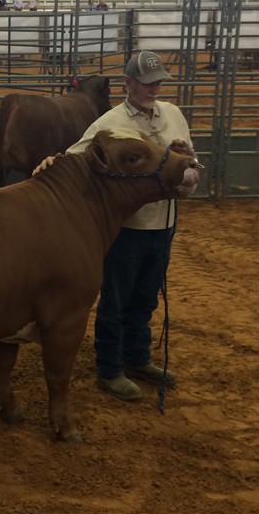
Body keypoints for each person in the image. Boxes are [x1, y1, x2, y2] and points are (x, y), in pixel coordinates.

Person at [59, 51, 199, 402]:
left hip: (163, 224)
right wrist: (53, 163)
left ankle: (138, 360)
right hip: (126, 228)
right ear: (128, 84)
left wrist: (188, 168)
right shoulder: (111, 122)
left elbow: (192, 170)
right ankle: (109, 369)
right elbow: (75, 157)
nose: (154, 88)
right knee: (115, 301)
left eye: (158, 82)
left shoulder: (174, 116)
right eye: (147, 83)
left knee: (145, 299)